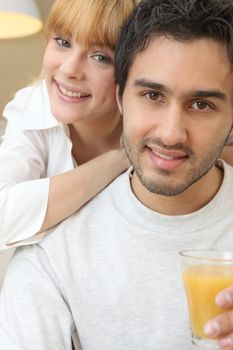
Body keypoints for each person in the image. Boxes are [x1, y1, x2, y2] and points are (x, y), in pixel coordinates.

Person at [2, 0, 233, 349]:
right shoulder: (51, 254)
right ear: (123, 95)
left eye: (201, 105)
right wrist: (122, 157)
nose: (171, 133)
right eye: (153, 95)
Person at [0, 0, 140, 250]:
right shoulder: (33, 107)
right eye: (63, 42)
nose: (69, 69)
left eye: (100, 57)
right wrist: (119, 160)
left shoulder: (156, 128)